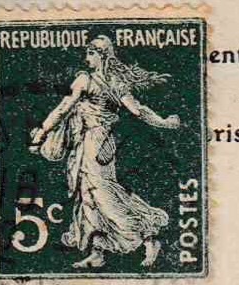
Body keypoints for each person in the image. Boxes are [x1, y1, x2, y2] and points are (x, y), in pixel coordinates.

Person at [28, 36, 182, 269]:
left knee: (102, 193)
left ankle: (148, 237)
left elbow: (63, 109)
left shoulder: (86, 79)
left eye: (90, 53)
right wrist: (163, 122)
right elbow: (137, 110)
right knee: (88, 195)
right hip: (96, 142)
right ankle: (97, 251)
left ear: (102, 55)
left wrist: (41, 132)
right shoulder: (115, 81)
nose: (86, 58)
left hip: (95, 141)